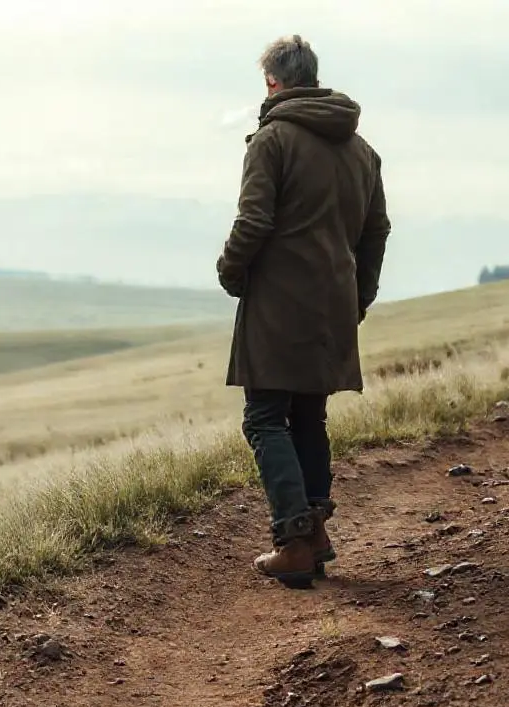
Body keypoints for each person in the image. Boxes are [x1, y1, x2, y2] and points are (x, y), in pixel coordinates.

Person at [215, 35, 392, 588]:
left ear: (272, 81)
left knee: (265, 417)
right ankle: (314, 532)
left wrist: (230, 270)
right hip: (333, 305)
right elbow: (377, 231)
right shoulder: (362, 150)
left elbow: (254, 221)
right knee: (309, 416)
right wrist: (359, 295)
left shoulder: (273, 140)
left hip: (278, 305)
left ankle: (293, 539)